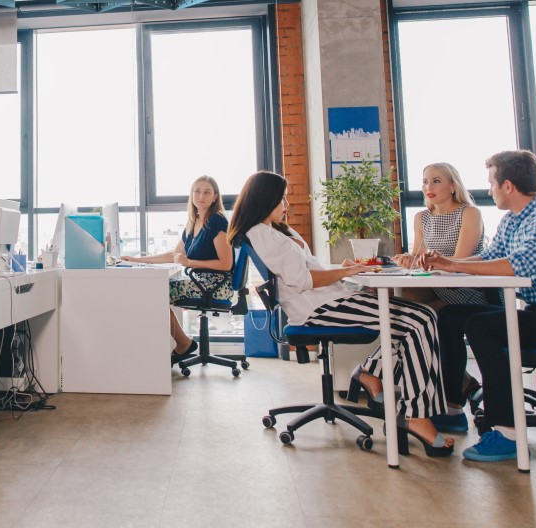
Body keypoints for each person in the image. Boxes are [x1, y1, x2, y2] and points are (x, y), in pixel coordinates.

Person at [229, 171, 454, 456]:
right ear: (265, 199)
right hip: (318, 310)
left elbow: (308, 270)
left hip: (329, 300)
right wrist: (349, 271)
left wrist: (343, 270)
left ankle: (371, 374)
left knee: (418, 318)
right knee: (420, 320)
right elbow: (303, 281)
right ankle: (415, 416)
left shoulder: (278, 231)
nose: (286, 204)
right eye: (281, 199)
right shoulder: (261, 234)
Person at [424, 150, 536, 462]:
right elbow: (489, 257)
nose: (489, 190)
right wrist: (447, 264)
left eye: (491, 183)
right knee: (450, 316)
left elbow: (516, 267)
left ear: (507, 185)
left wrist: (453, 266)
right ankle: (453, 408)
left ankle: (508, 432)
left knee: (482, 326)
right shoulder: (513, 219)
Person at [122, 175, 233, 364]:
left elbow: (226, 264)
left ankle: (183, 344)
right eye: (197, 191)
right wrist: (136, 259)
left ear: (215, 197)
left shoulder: (217, 221)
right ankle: (183, 343)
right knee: (152, 289)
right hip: (199, 281)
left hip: (215, 285)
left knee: (152, 291)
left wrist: (189, 262)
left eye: (207, 192)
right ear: (192, 194)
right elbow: (174, 254)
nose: (201, 196)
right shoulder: (194, 222)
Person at [396, 162, 493, 309]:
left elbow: (460, 261)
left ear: (453, 186)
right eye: (425, 182)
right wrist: (408, 259)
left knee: (424, 311)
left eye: (436, 181)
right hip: (435, 283)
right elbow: (417, 257)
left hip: (465, 285)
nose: (429, 187)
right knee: (402, 297)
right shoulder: (421, 217)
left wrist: (428, 262)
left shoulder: (470, 213)